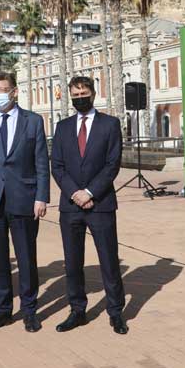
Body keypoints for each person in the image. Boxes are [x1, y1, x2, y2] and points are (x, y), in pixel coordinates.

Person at [0, 73, 49, 333]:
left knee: (26, 258)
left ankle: (29, 311)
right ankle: (2, 311)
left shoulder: (33, 121)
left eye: (3, 89)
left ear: (14, 92)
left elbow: (41, 163)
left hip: (24, 200)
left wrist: (41, 197)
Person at [51, 76, 128, 335]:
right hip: (70, 206)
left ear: (93, 94)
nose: (79, 97)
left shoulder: (110, 124)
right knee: (73, 263)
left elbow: (112, 165)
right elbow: (57, 166)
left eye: (84, 92)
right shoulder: (62, 128)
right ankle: (77, 310)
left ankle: (116, 312)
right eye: (75, 94)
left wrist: (90, 192)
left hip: (101, 203)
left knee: (108, 261)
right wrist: (75, 193)